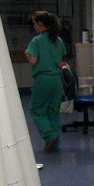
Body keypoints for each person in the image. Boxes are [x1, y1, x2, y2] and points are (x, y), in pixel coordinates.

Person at [25, 11, 67, 152]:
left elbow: (33, 60)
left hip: (43, 79)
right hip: (56, 80)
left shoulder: (36, 41)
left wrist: (27, 53)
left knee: (36, 110)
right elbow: (61, 57)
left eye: (35, 24)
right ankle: (55, 140)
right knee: (53, 111)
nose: (34, 27)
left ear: (40, 24)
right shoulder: (58, 40)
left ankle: (49, 136)